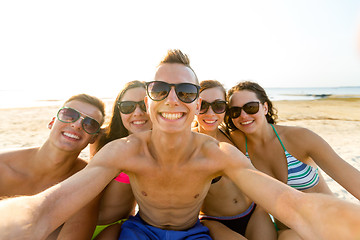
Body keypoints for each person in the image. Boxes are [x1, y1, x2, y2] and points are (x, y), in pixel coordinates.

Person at [2, 49, 360, 240]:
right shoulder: (123, 150)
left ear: (195, 103)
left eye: (186, 91)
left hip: (196, 233)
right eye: (160, 90)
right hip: (139, 230)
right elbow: (45, 208)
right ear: (149, 98)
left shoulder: (217, 152)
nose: (173, 99)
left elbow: (295, 206)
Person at [223, 81, 360, 239]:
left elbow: (350, 178)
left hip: (330, 225)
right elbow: (206, 133)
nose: (244, 115)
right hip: (290, 231)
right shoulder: (236, 144)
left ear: (265, 107)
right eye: (235, 111)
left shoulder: (299, 138)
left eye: (251, 107)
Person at [0, 93, 105, 239]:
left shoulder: (86, 180)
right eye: (69, 115)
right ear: (52, 123)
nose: (76, 125)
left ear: (93, 137)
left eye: (89, 124)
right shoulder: (2, 166)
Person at [194, 80, 276, 240]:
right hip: (214, 221)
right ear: (194, 106)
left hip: (254, 211)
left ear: (226, 109)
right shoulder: (188, 145)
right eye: (203, 106)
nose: (210, 113)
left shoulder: (234, 136)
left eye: (218, 105)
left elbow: (268, 139)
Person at [90, 80, 152, 239]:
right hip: (84, 222)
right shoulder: (102, 138)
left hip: (119, 229)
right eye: (127, 107)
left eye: (144, 105)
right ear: (119, 111)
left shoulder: (161, 147)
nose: (137, 112)